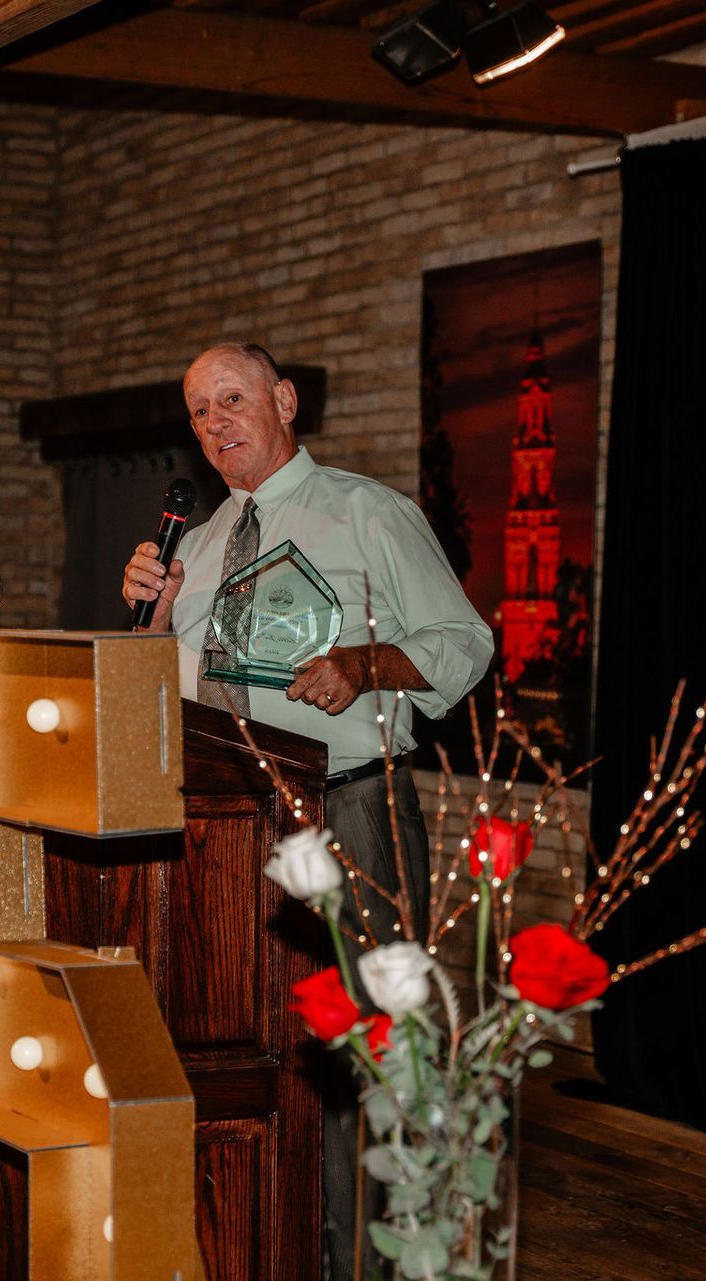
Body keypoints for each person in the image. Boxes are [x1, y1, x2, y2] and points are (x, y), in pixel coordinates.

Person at [122, 341, 493, 1278]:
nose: (216, 423)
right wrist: (157, 622)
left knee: (363, 1050)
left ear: (285, 401)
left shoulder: (368, 513)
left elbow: (463, 641)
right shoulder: (199, 544)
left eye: (233, 398)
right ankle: (267, 1244)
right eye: (199, 410)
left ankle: (379, 1256)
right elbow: (182, 689)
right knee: (249, 1042)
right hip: (222, 821)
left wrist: (366, 665)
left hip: (349, 808)